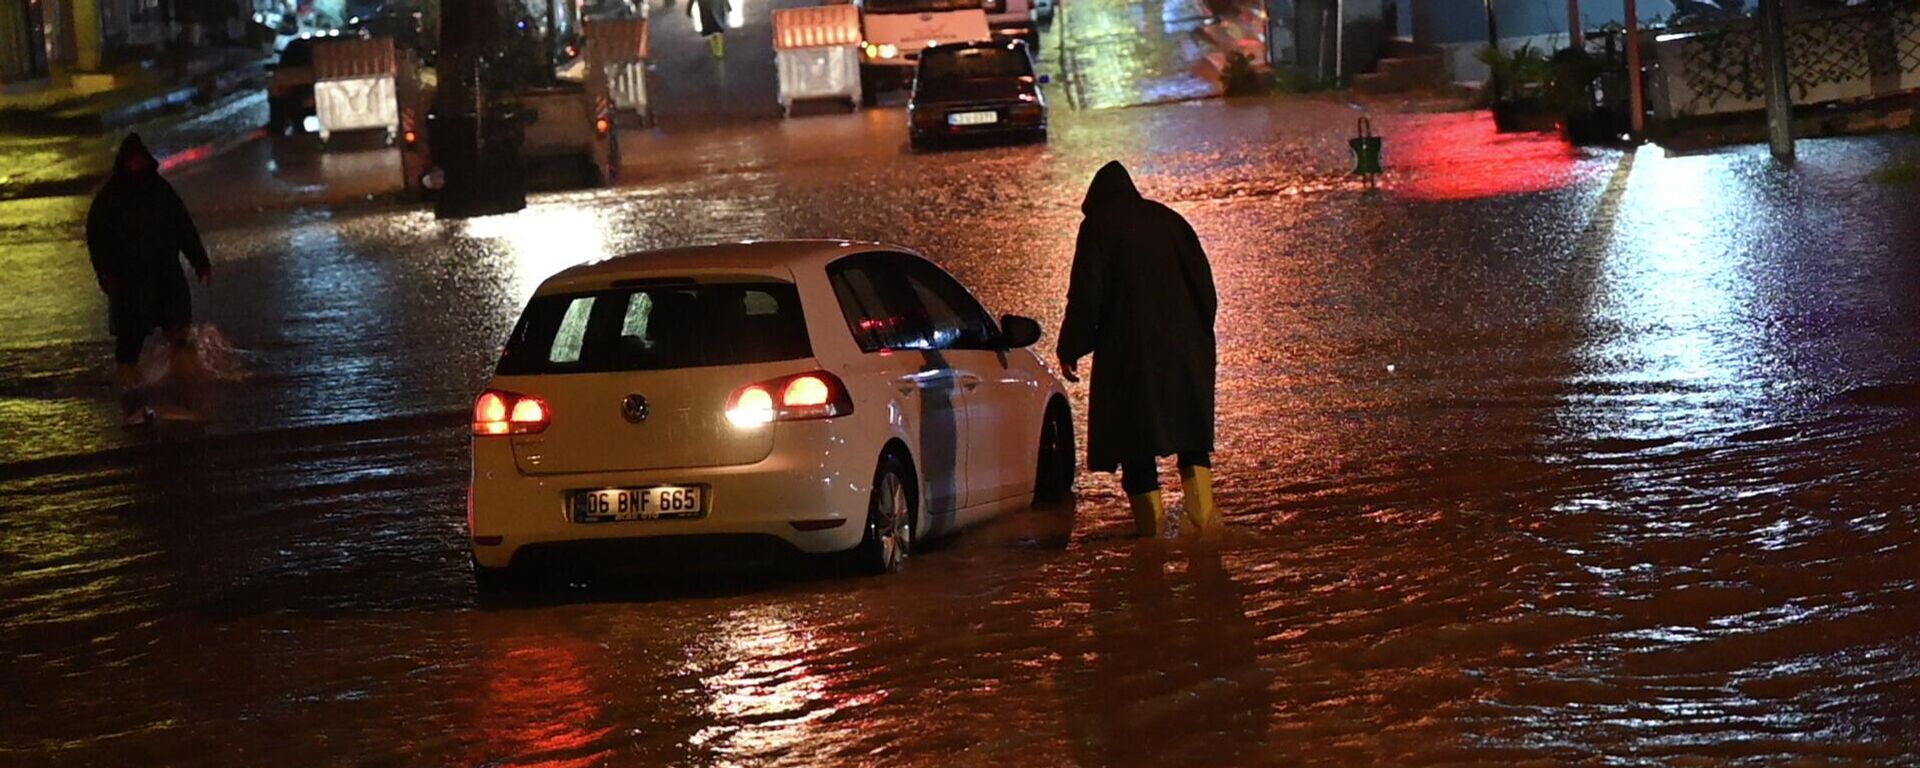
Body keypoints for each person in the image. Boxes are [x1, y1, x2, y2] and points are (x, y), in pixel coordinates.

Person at [1057, 161, 1218, 538]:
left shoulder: (1097, 227)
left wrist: (1071, 347)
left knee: (1136, 446)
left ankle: (1153, 537)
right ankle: (1204, 523)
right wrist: (1195, 340)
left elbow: (1085, 296)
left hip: (1129, 358)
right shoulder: (1171, 221)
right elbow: (1206, 291)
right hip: (1186, 354)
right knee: (1191, 438)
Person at [85, 134, 213, 425]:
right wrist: (105, 274)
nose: (137, 164)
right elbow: (97, 239)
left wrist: (200, 262)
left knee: (178, 328)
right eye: (132, 160)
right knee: (130, 337)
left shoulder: (160, 191)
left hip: (165, 273)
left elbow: (184, 228)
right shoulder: (110, 198)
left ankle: (185, 383)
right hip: (128, 280)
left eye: (140, 159)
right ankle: (130, 391)